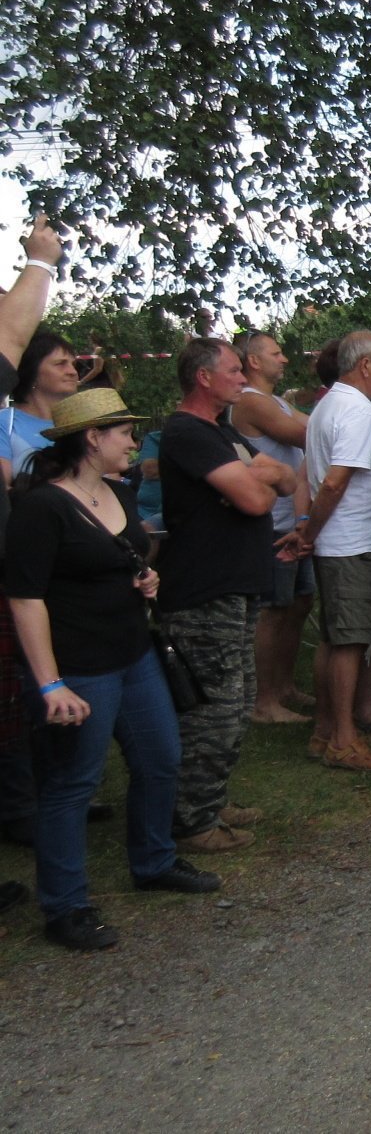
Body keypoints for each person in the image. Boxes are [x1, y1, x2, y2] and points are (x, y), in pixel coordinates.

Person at [6, 389, 226, 948]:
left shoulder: (118, 492)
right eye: (124, 432)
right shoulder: (41, 507)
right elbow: (25, 597)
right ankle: (65, 907)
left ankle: (153, 862)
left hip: (134, 655)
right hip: (79, 668)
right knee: (70, 783)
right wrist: (50, 682)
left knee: (160, 758)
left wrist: (144, 578)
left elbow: (124, 555)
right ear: (92, 438)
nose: (133, 442)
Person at [159, 339, 298, 853]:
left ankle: (211, 801)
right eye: (234, 370)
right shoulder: (185, 431)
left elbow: (283, 480)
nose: (242, 378)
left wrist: (258, 479)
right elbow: (254, 497)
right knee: (211, 709)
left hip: (236, 586)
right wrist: (255, 482)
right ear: (202, 377)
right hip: (203, 591)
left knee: (235, 704)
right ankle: (192, 821)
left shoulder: (220, 431)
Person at [0, 214, 70, 903]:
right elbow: (11, 332)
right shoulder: (9, 416)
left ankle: (30, 800)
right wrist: (41, 259)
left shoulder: (68, 417)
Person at [293, 332, 371, 772]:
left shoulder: (331, 404)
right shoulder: (355, 410)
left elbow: (311, 473)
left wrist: (308, 529)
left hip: (344, 539)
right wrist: (309, 532)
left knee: (336, 637)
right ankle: (343, 739)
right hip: (354, 541)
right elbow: (335, 481)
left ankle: (325, 730)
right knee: (351, 641)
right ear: (364, 366)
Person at [230, 331, 314, 724]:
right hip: (271, 524)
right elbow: (307, 432)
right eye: (275, 353)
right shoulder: (249, 401)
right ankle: (262, 700)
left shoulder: (276, 400)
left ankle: (283, 686)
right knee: (273, 611)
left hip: (293, 519)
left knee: (298, 605)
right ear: (253, 361)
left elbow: (313, 426)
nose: (284, 359)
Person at [1, 332, 82, 483]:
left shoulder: (80, 425)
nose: (73, 372)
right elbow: (3, 492)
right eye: (60, 364)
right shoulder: (5, 424)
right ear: (32, 371)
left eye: (73, 365)